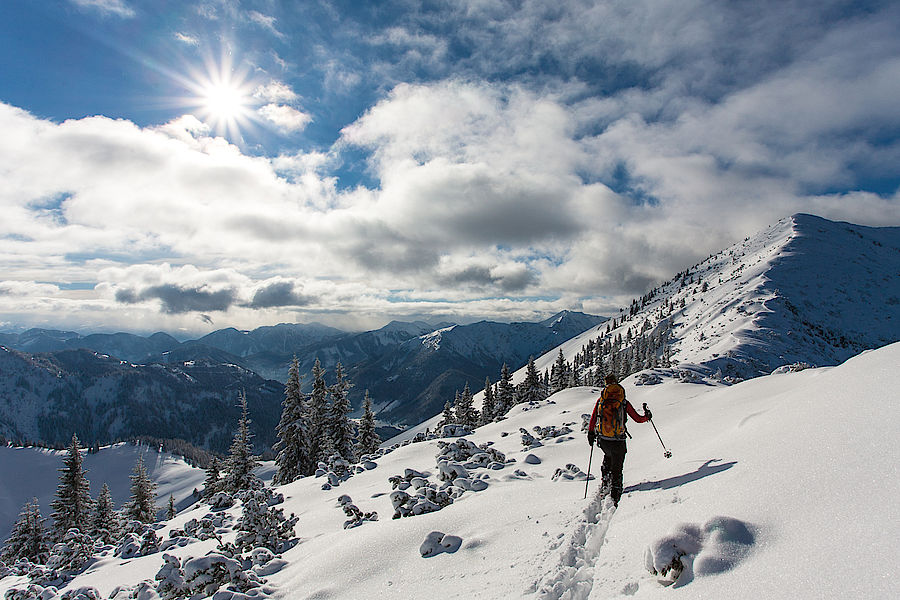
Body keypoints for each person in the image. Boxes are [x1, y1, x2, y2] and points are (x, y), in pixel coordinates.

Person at [587, 374, 652, 506]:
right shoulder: (623, 401)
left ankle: (605, 483)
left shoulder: (601, 400)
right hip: (618, 441)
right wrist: (647, 417)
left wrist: (590, 433)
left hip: (604, 440)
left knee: (607, 457)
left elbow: (594, 418)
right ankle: (615, 495)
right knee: (617, 467)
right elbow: (638, 419)